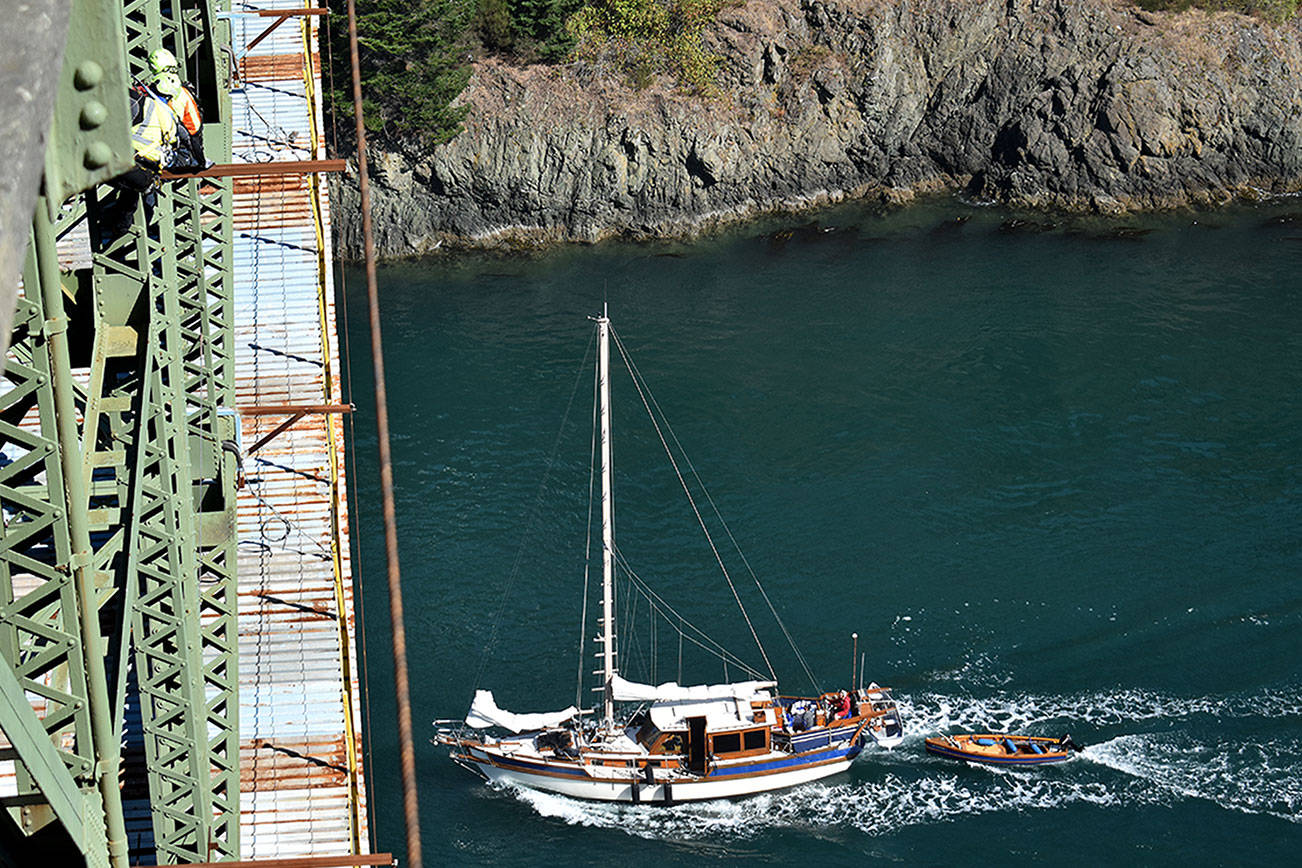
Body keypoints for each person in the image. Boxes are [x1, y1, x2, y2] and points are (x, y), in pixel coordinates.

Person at [98, 77, 179, 241]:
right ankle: (118, 228)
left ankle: (118, 225)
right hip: (140, 168)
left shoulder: (143, 104)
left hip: (124, 160)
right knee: (133, 194)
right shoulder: (169, 118)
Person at [147, 48, 208, 169]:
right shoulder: (182, 90)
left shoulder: (157, 88)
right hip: (182, 144)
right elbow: (192, 126)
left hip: (174, 144)